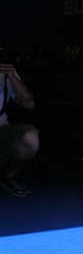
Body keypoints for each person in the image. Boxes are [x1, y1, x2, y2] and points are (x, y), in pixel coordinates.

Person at [0, 51, 39, 197]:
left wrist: (11, 76)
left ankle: (8, 176)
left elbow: (28, 104)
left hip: (1, 131)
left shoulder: (4, 75)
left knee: (30, 137)